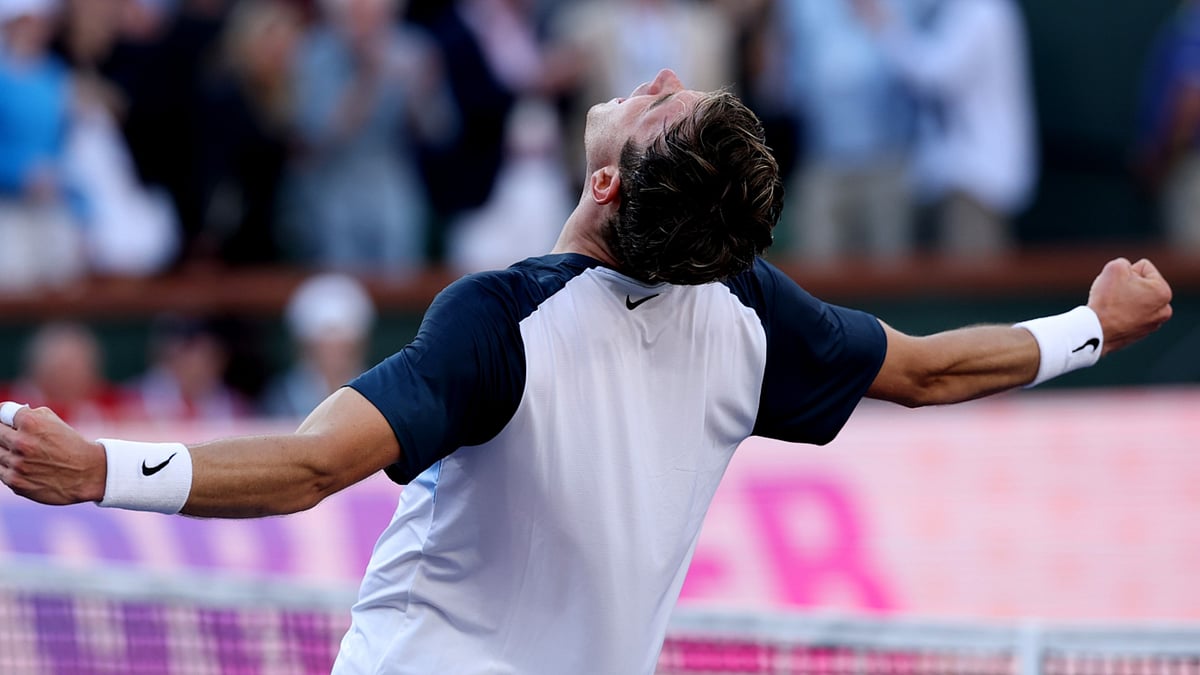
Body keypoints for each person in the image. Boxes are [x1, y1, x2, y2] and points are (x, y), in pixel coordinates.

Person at [0, 69, 1173, 673]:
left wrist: (98, 467)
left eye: (667, 105)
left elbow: (312, 467)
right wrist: (1089, 328)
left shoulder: (500, 318)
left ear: (607, 184)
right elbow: (923, 372)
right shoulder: (747, 307)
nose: (656, 82)